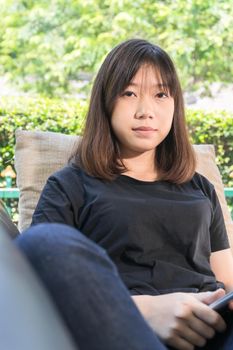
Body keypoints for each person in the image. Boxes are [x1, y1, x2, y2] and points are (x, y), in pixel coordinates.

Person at [15, 39, 233, 350]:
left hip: (212, 328)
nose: (147, 111)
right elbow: (38, 283)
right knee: (43, 241)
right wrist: (145, 311)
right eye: (129, 93)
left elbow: (227, 281)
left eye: (161, 95)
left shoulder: (199, 187)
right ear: (106, 101)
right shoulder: (70, 185)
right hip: (125, 329)